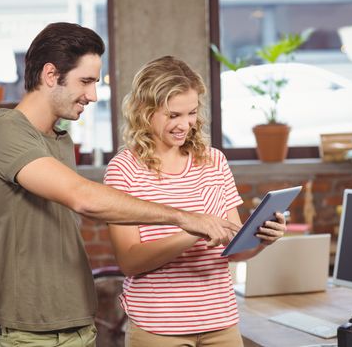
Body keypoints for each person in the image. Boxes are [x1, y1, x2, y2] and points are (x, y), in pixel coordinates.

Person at [0, 23, 239, 347]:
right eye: (85, 81)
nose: (93, 95)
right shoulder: (6, 133)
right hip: (32, 328)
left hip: (75, 320)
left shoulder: (57, 139)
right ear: (49, 75)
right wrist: (185, 218)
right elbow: (82, 197)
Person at [104, 55, 286, 347]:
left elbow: (234, 249)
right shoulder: (124, 170)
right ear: (144, 111)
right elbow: (129, 262)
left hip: (221, 322)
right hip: (158, 328)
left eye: (190, 113)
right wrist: (190, 230)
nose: (184, 125)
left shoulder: (214, 161)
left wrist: (262, 240)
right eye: (173, 115)